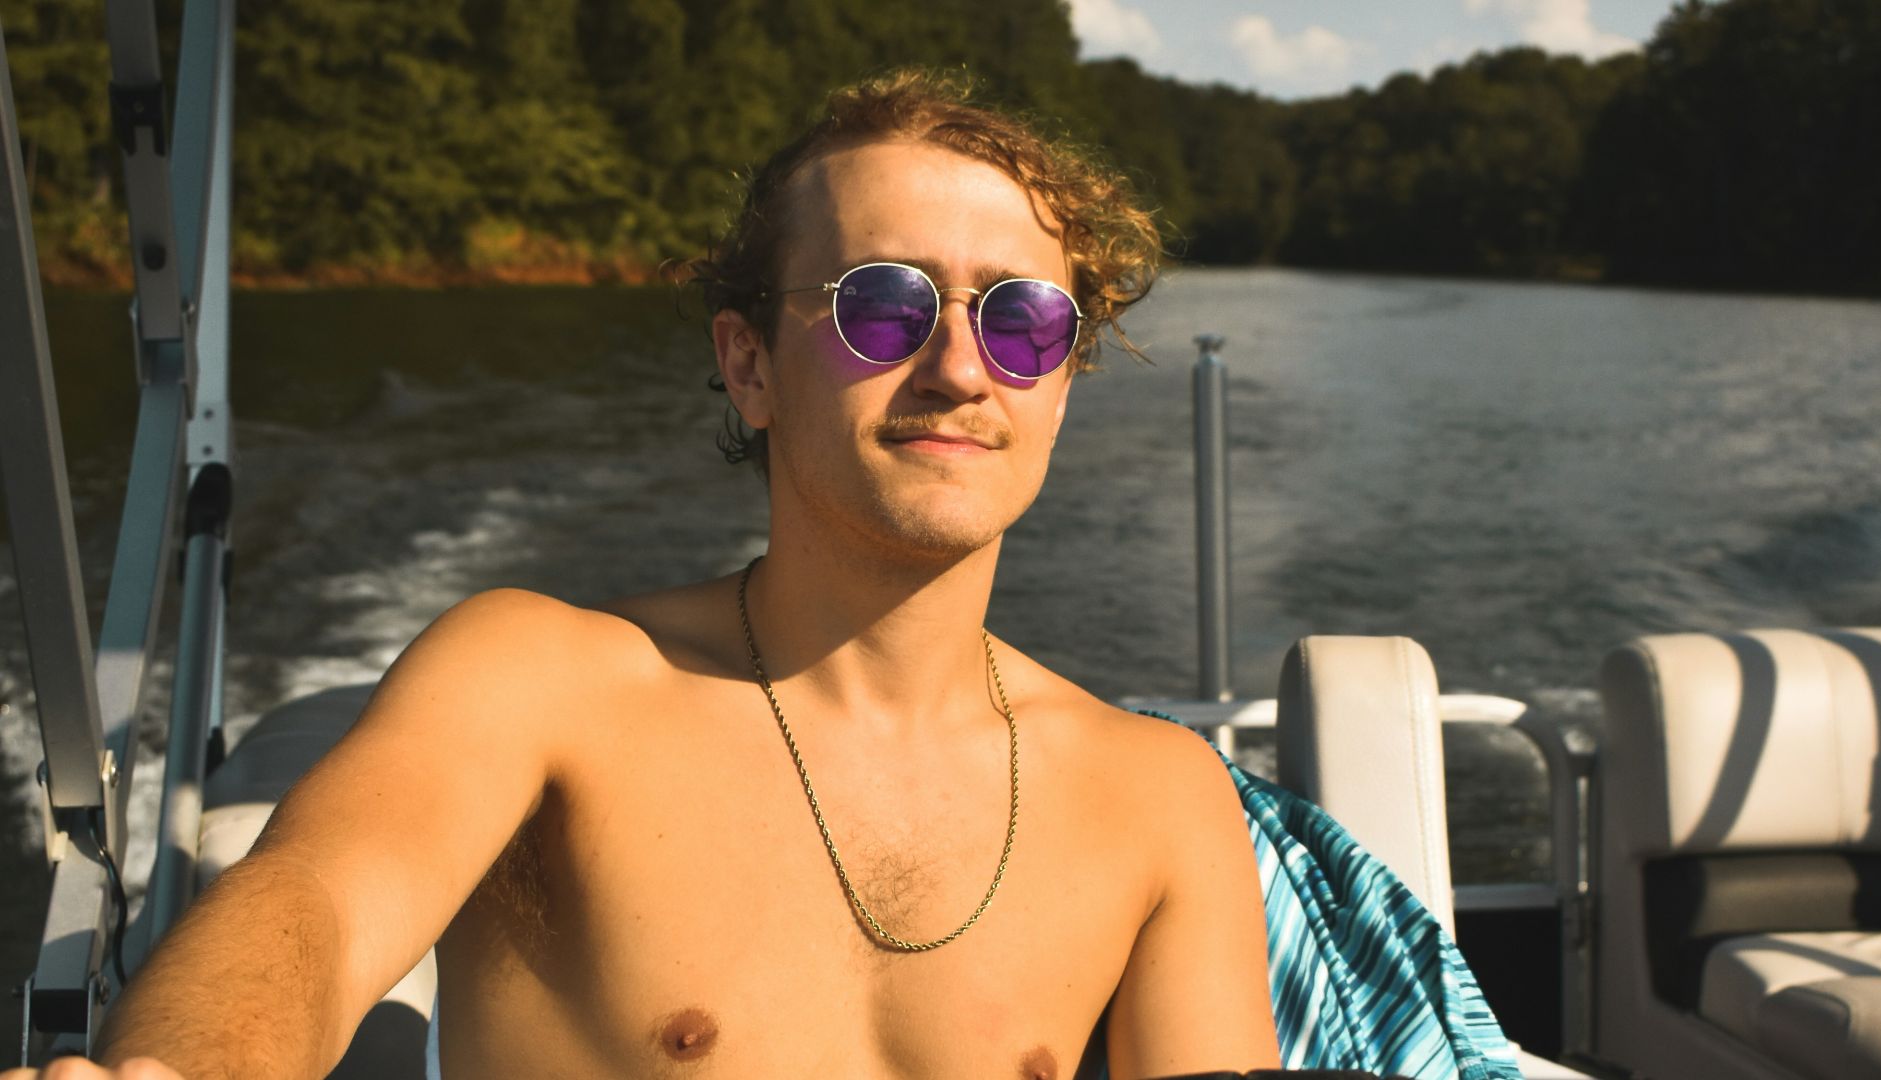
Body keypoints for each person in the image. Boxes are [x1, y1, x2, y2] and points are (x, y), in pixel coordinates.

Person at [6, 70, 1285, 1079]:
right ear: (749, 366)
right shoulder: (539, 683)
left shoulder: (1162, 799)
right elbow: (312, 912)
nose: (960, 367)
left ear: (1061, 382)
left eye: (1022, 322)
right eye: (883, 308)